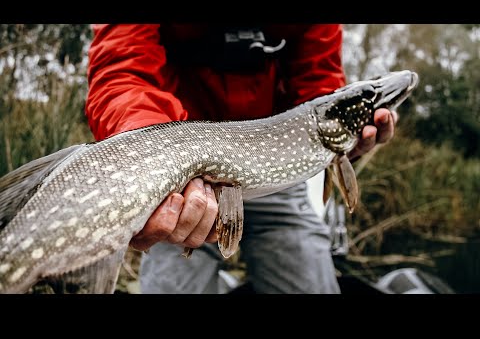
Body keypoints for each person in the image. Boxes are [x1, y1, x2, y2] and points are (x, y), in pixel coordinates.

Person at [86, 24, 397, 294]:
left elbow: (318, 87)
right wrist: (157, 153)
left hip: (277, 177)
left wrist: (341, 142)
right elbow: (122, 69)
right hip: (183, 179)